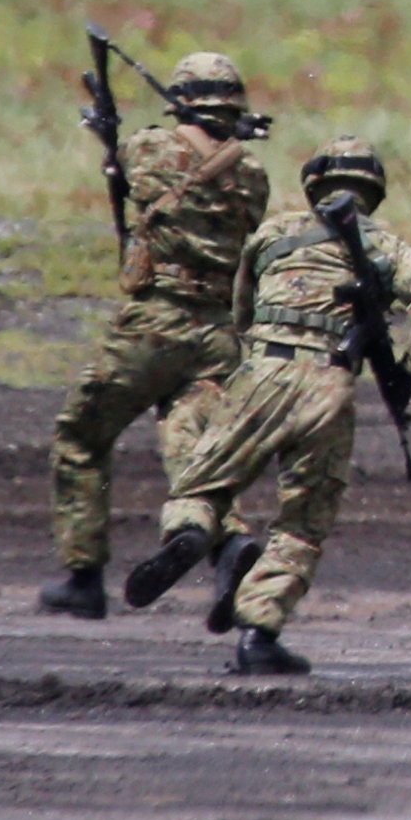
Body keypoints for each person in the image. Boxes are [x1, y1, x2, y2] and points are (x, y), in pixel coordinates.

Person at [124, 138, 411, 676]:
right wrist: (410, 367)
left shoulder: (274, 234)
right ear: (375, 190)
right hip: (330, 384)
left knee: (203, 484)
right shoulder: (385, 245)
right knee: (302, 523)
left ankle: (192, 531)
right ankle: (258, 631)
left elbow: (242, 309)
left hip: (263, 371)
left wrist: (261, 350)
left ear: (314, 185)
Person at [38, 51, 272, 620]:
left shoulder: (150, 147)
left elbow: (127, 166)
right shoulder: (253, 175)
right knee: (195, 450)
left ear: (181, 100)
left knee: (81, 435)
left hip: (155, 325)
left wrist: (107, 138)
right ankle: (228, 543)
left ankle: (83, 574)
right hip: (218, 333)